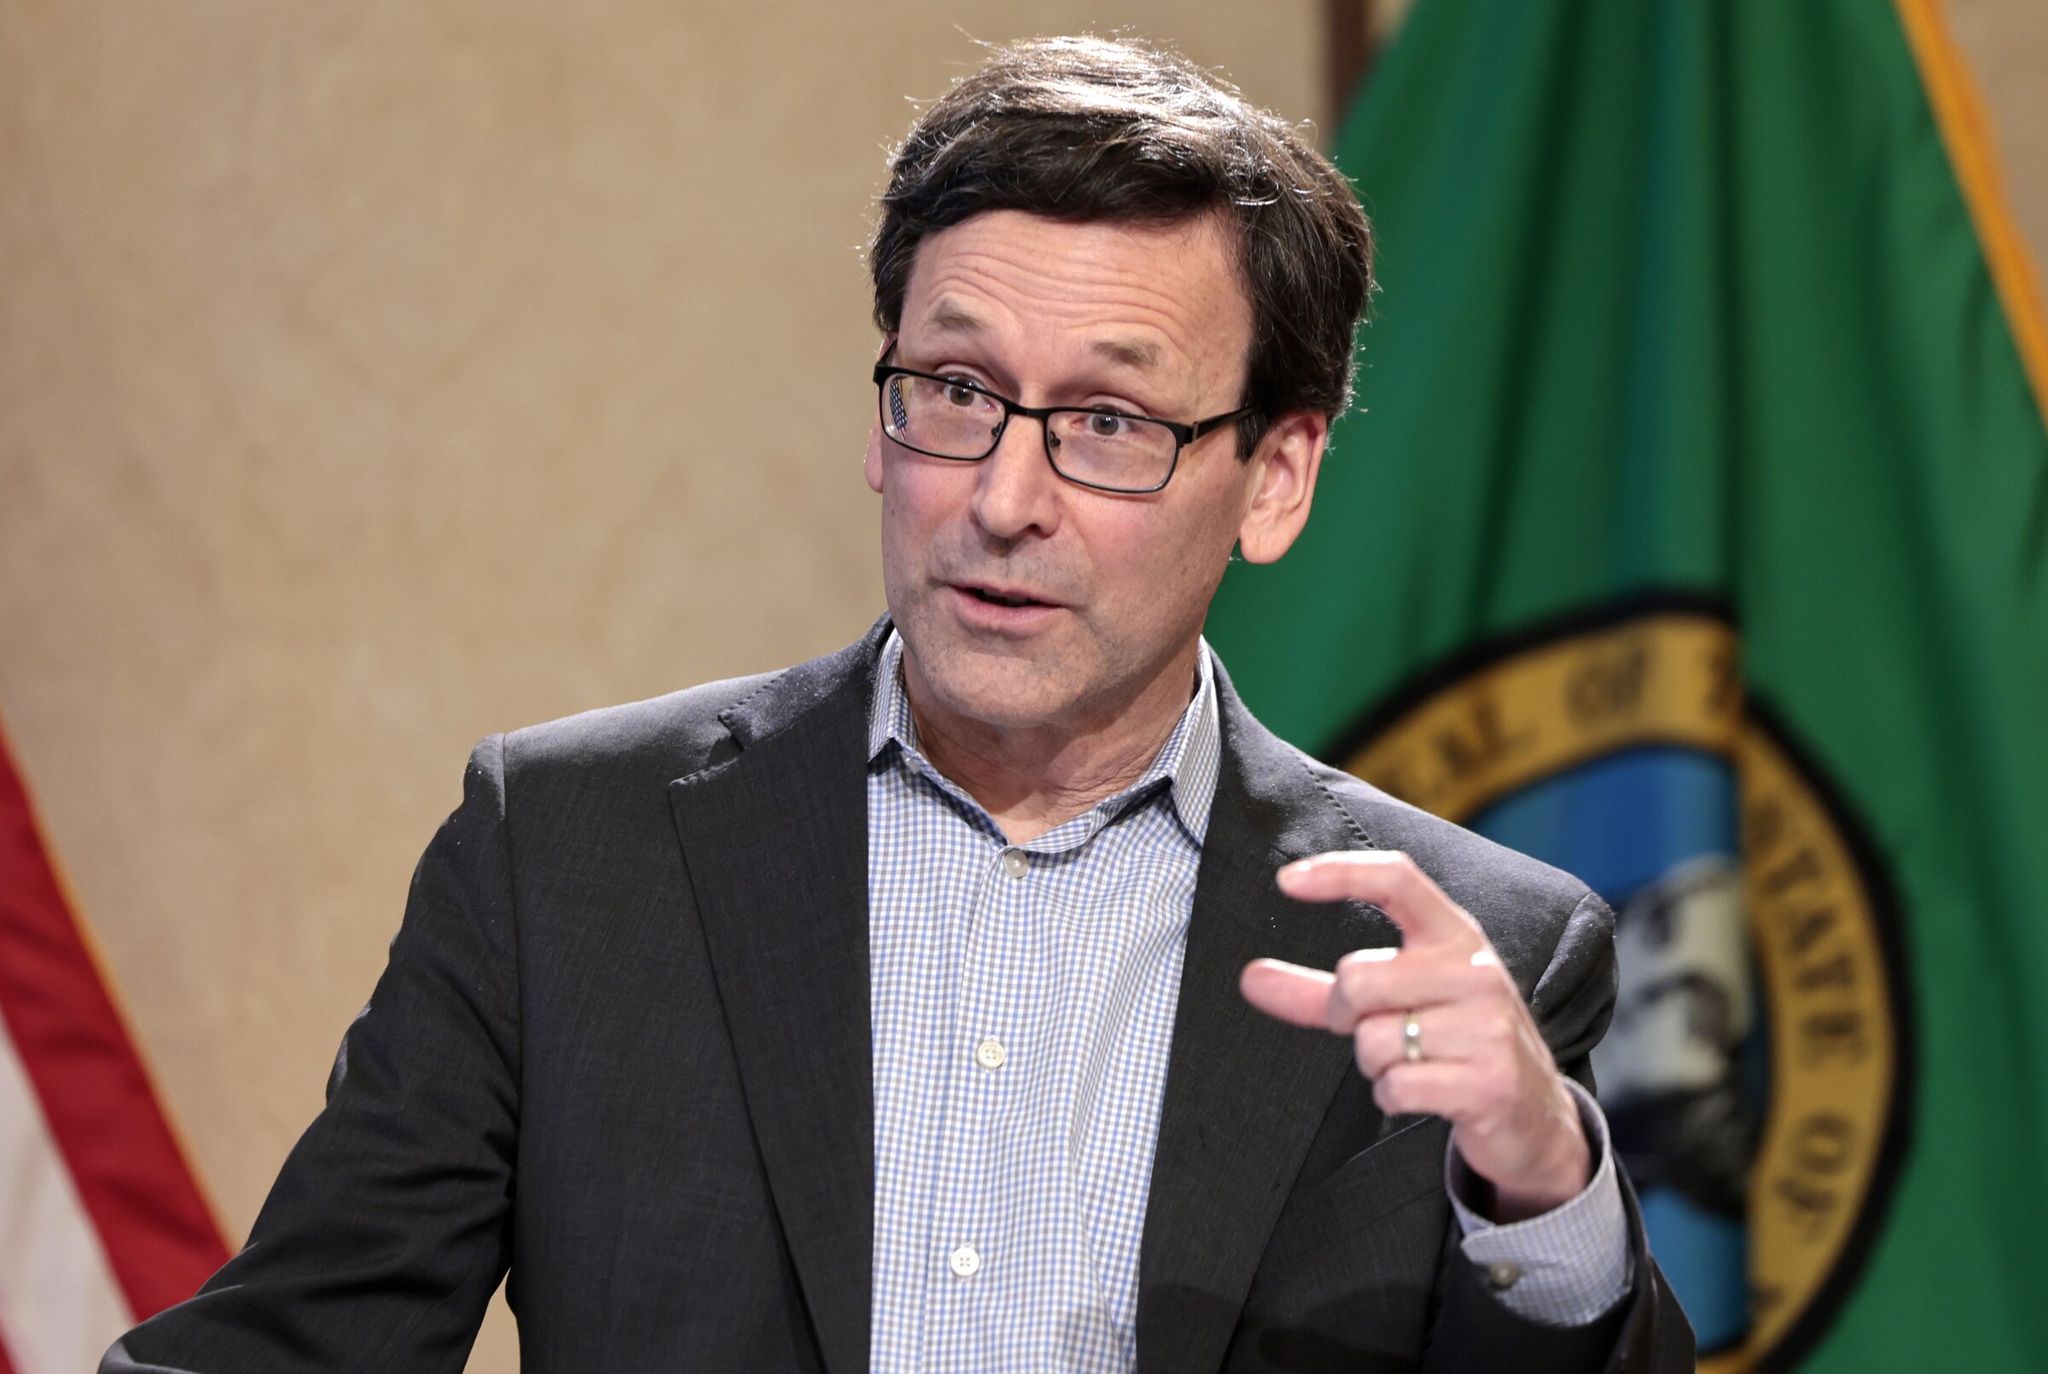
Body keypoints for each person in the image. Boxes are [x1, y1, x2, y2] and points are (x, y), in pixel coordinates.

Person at [106, 35, 1693, 1373]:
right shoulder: (569, 855)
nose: (1003, 497)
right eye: (955, 392)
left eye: (1109, 422)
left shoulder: (1460, 950)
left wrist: (1546, 1190)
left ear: (1273, 477)